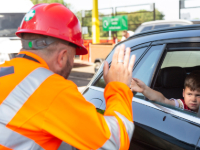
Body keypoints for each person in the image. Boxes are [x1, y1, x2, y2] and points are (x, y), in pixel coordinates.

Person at [0, 3, 136, 150]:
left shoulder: (5, 71)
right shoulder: (50, 88)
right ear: (62, 57)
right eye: (73, 56)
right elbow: (115, 142)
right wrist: (119, 88)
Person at [130, 70, 200, 113]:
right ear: (183, 93)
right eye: (189, 94)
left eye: (198, 95)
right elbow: (163, 100)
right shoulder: (182, 105)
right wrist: (144, 89)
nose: (193, 99)